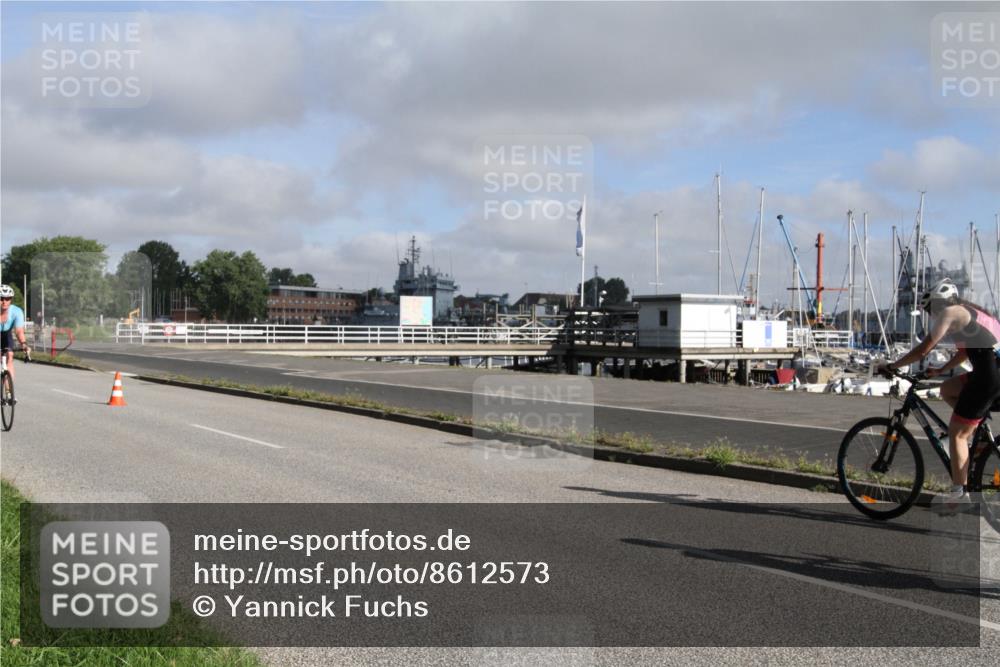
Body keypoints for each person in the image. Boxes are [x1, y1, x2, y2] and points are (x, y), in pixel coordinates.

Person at [878, 278, 1000, 508]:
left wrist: (892, 366)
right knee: (947, 388)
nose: (931, 314)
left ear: (938, 302)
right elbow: (964, 353)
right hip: (992, 374)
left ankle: (960, 494)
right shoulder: (971, 313)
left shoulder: (951, 312)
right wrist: (941, 370)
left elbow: (924, 349)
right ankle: (980, 437)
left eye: (930, 308)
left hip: (988, 378)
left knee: (957, 434)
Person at [0, 284, 30, 383]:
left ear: (11, 299)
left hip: (6, 334)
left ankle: (9, 393)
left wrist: (24, 344)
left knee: (10, 355)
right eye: (1, 298)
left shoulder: (17, 312)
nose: (4, 301)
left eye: (7, 298)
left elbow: (19, 331)